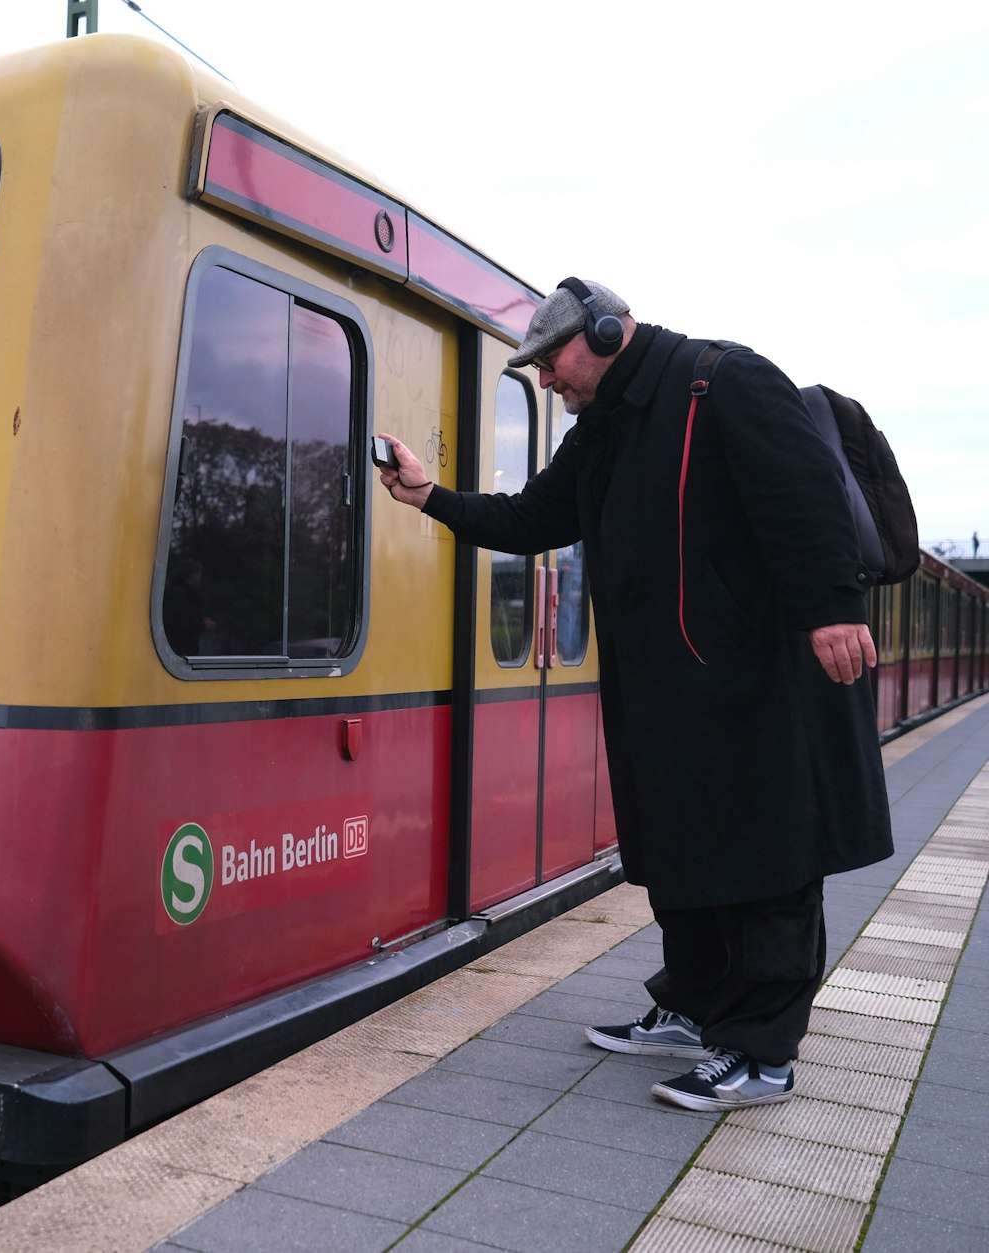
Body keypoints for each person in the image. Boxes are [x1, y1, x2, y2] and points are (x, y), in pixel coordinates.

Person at [376, 278, 891, 1112]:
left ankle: (762, 1053)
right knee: (682, 850)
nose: (546, 382)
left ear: (608, 333)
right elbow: (534, 516)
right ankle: (691, 1006)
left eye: (550, 362)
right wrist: (432, 497)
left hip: (754, 685)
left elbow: (804, 498)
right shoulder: (605, 430)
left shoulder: (725, 382)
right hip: (665, 691)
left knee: (767, 861)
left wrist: (833, 607)